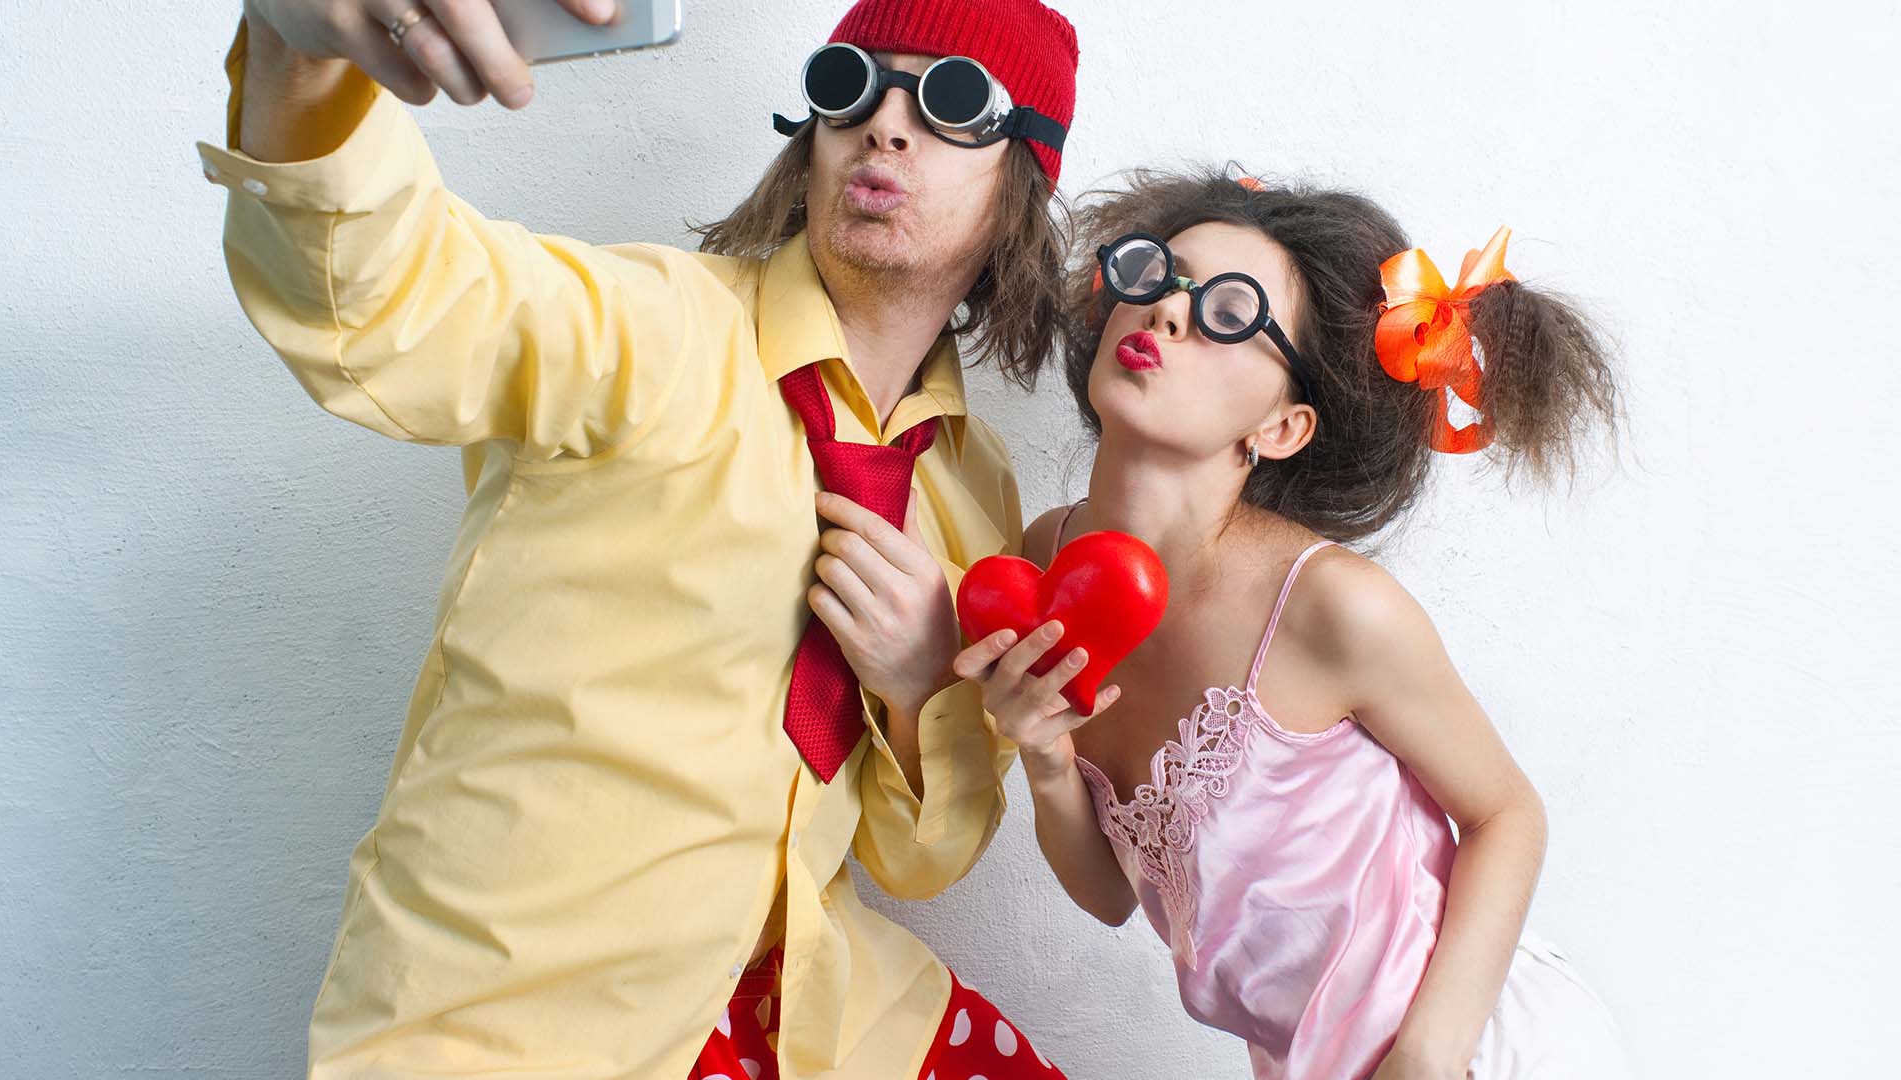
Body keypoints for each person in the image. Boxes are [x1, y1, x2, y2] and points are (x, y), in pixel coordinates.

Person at [196, 1, 1081, 1076]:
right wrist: (294, 50)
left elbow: (916, 856)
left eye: (951, 102)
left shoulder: (971, 484)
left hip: (815, 1009)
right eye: (849, 83)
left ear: (1020, 184)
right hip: (527, 1024)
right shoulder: (650, 327)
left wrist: (912, 687)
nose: (884, 125)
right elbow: (390, 305)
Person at [953, 168, 1632, 1079]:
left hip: (1476, 1047)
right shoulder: (1047, 564)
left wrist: (1428, 1056)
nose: (1167, 314)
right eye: (1157, 276)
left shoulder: (1328, 608)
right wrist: (1039, 754)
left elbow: (1509, 814)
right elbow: (1113, 897)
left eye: (1231, 314)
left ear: (1282, 426)